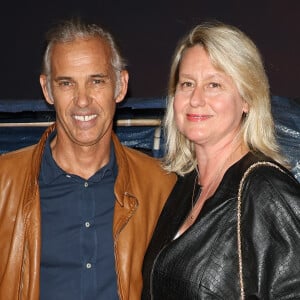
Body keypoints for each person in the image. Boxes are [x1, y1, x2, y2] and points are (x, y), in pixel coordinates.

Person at [0, 18, 176, 300]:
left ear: (120, 86)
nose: (82, 100)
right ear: (47, 90)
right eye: (67, 83)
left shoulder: (162, 187)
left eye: (97, 81)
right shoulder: (4, 184)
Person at [142, 21, 300, 299]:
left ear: (247, 99)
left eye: (214, 84)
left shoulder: (266, 192)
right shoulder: (186, 187)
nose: (196, 99)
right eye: (187, 84)